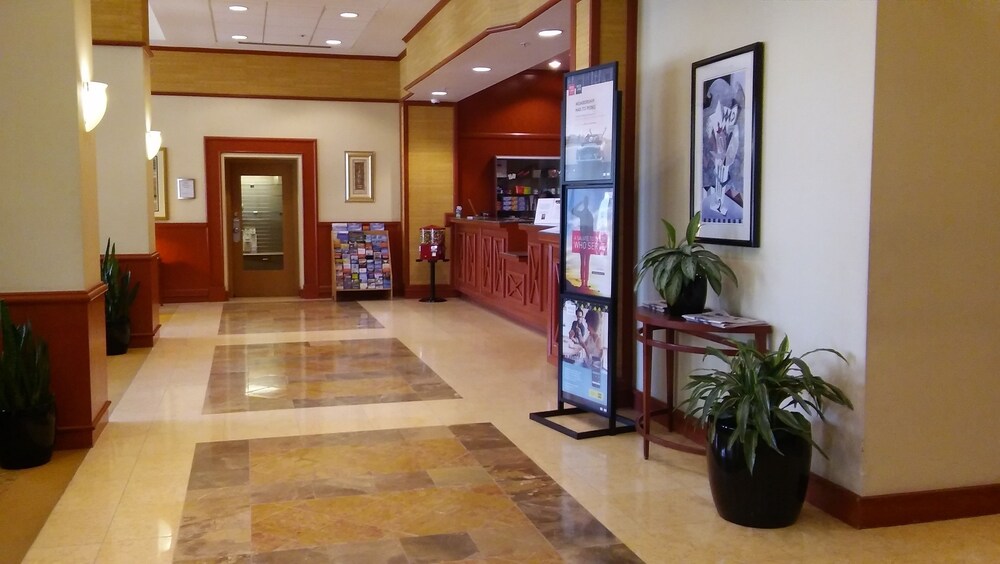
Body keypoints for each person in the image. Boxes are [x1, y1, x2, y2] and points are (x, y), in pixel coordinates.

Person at [571, 196, 594, 290]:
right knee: (583, 261)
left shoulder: (588, 213)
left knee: (586, 261)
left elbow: (592, 227)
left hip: (586, 238)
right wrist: (580, 202)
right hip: (583, 238)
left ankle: (585, 282)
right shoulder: (584, 213)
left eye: (586, 201)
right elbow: (573, 210)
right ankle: (582, 282)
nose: (585, 203)